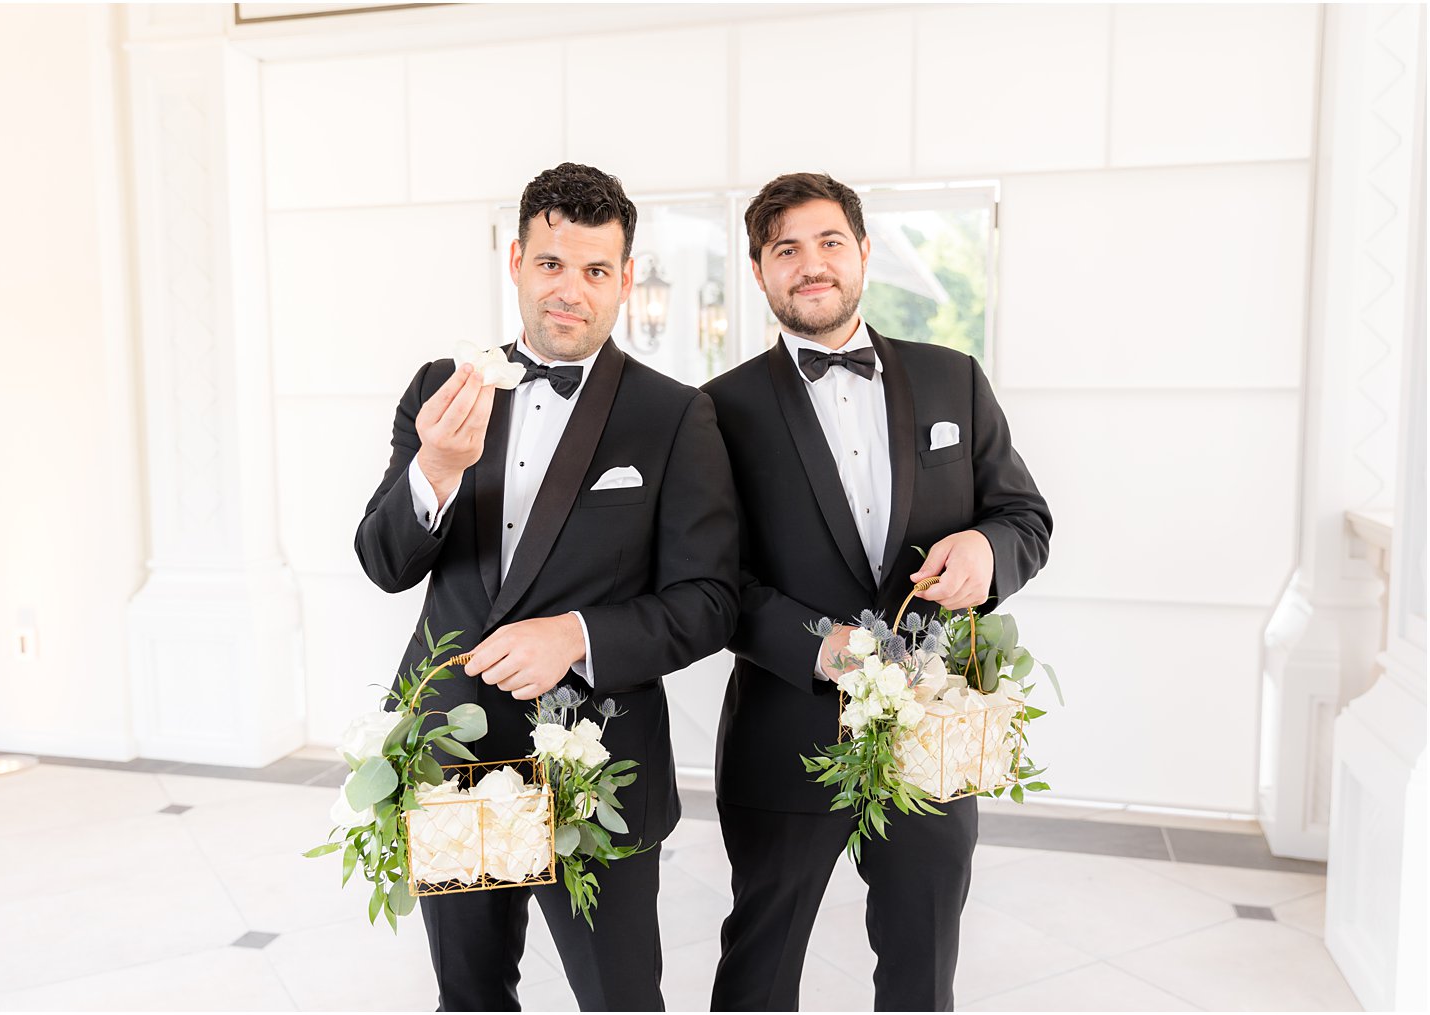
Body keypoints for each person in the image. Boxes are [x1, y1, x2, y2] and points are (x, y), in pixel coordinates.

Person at [354, 162, 739, 1012]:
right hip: (452, 755)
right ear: (517, 262)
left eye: (597, 270)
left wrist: (578, 635)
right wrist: (437, 469)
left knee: (621, 998)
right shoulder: (439, 390)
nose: (571, 290)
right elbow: (385, 563)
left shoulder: (675, 416)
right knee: (472, 995)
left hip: (597, 766)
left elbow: (710, 600)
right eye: (552, 264)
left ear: (626, 279)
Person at [702, 172, 1052, 1012]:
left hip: (931, 741)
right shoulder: (715, 410)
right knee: (759, 969)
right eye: (786, 248)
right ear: (760, 271)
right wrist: (811, 645)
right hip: (784, 734)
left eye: (829, 242)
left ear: (863, 253)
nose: (810, 263)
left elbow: (1025, 516)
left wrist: (988, 547)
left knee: (921, 971)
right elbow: (711, 581)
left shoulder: (953, 380)